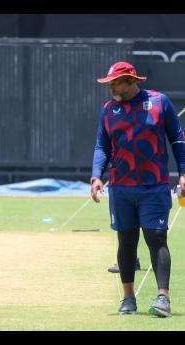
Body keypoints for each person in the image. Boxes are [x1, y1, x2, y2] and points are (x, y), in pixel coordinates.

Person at [91, 61, 185, 317]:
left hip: (153, 185)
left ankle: (163, 298)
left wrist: (183, 173)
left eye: (115, 82)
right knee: (126, 240)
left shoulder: (159, 102)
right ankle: (128, 299)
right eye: (109, 82)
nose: (110, 86)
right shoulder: (109, 110)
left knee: (156, 236)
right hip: (121, 187)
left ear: (132, 80)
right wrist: (96, 176)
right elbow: (102, 146)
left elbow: (177, 138)